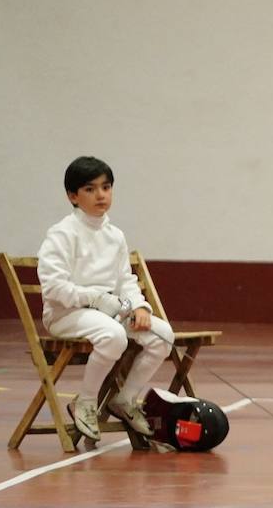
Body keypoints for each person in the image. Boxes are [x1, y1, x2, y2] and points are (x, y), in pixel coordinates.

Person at [37, 156, 175, 443]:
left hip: (107, 313)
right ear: (72, 196)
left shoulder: (115, 236)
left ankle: (123, 400)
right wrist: (97, 298)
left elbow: (125, 280)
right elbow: (53, 287)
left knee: (162, 336)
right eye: (90, 189)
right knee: (113, 336)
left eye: (106, 187)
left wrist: (139, 306)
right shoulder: (62, 234)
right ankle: (84, 401)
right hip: (66, 314)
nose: (101, 195)